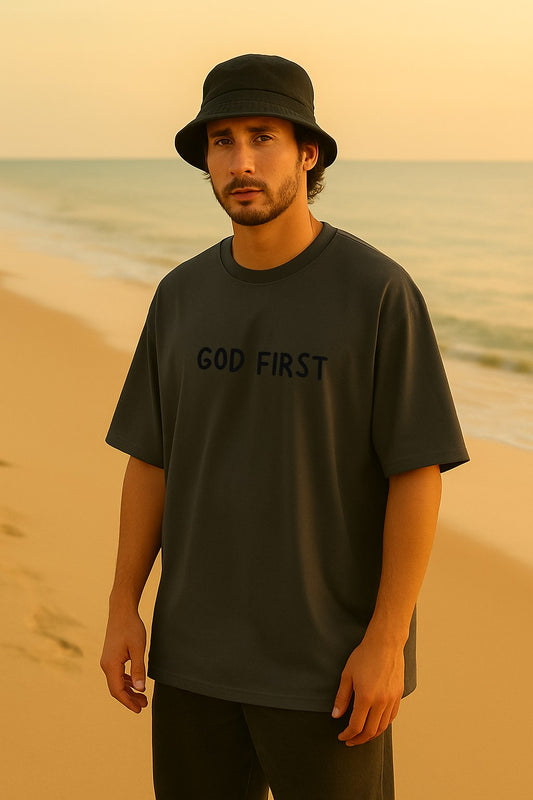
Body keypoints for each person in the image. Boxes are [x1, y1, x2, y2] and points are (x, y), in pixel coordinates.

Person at [100, 54, 469, 800]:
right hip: (194, 661)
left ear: (307, 152)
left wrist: (386, 641)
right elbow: (151, 459)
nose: (240, 162)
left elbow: (416, 472)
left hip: (327, 672)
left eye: (261, 137)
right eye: (221, 141)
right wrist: (121, 608)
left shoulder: (376, 292)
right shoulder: (181, 295)